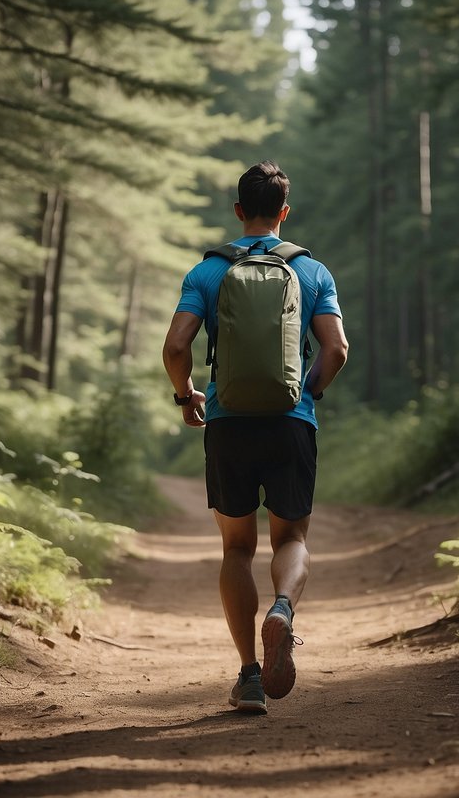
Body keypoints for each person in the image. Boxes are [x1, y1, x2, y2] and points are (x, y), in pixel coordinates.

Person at [161, 160, 349, 715]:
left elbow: (176, 348)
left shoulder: (208, 273)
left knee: (236, 548)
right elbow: (336, 349)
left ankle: (247, 676)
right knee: (291, 539)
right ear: (284, 213)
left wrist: (187, 395)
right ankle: (284, 610)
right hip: (291, 423)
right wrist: (306, 393)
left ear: (238, 210)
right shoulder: (312, 273)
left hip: (227, 423)